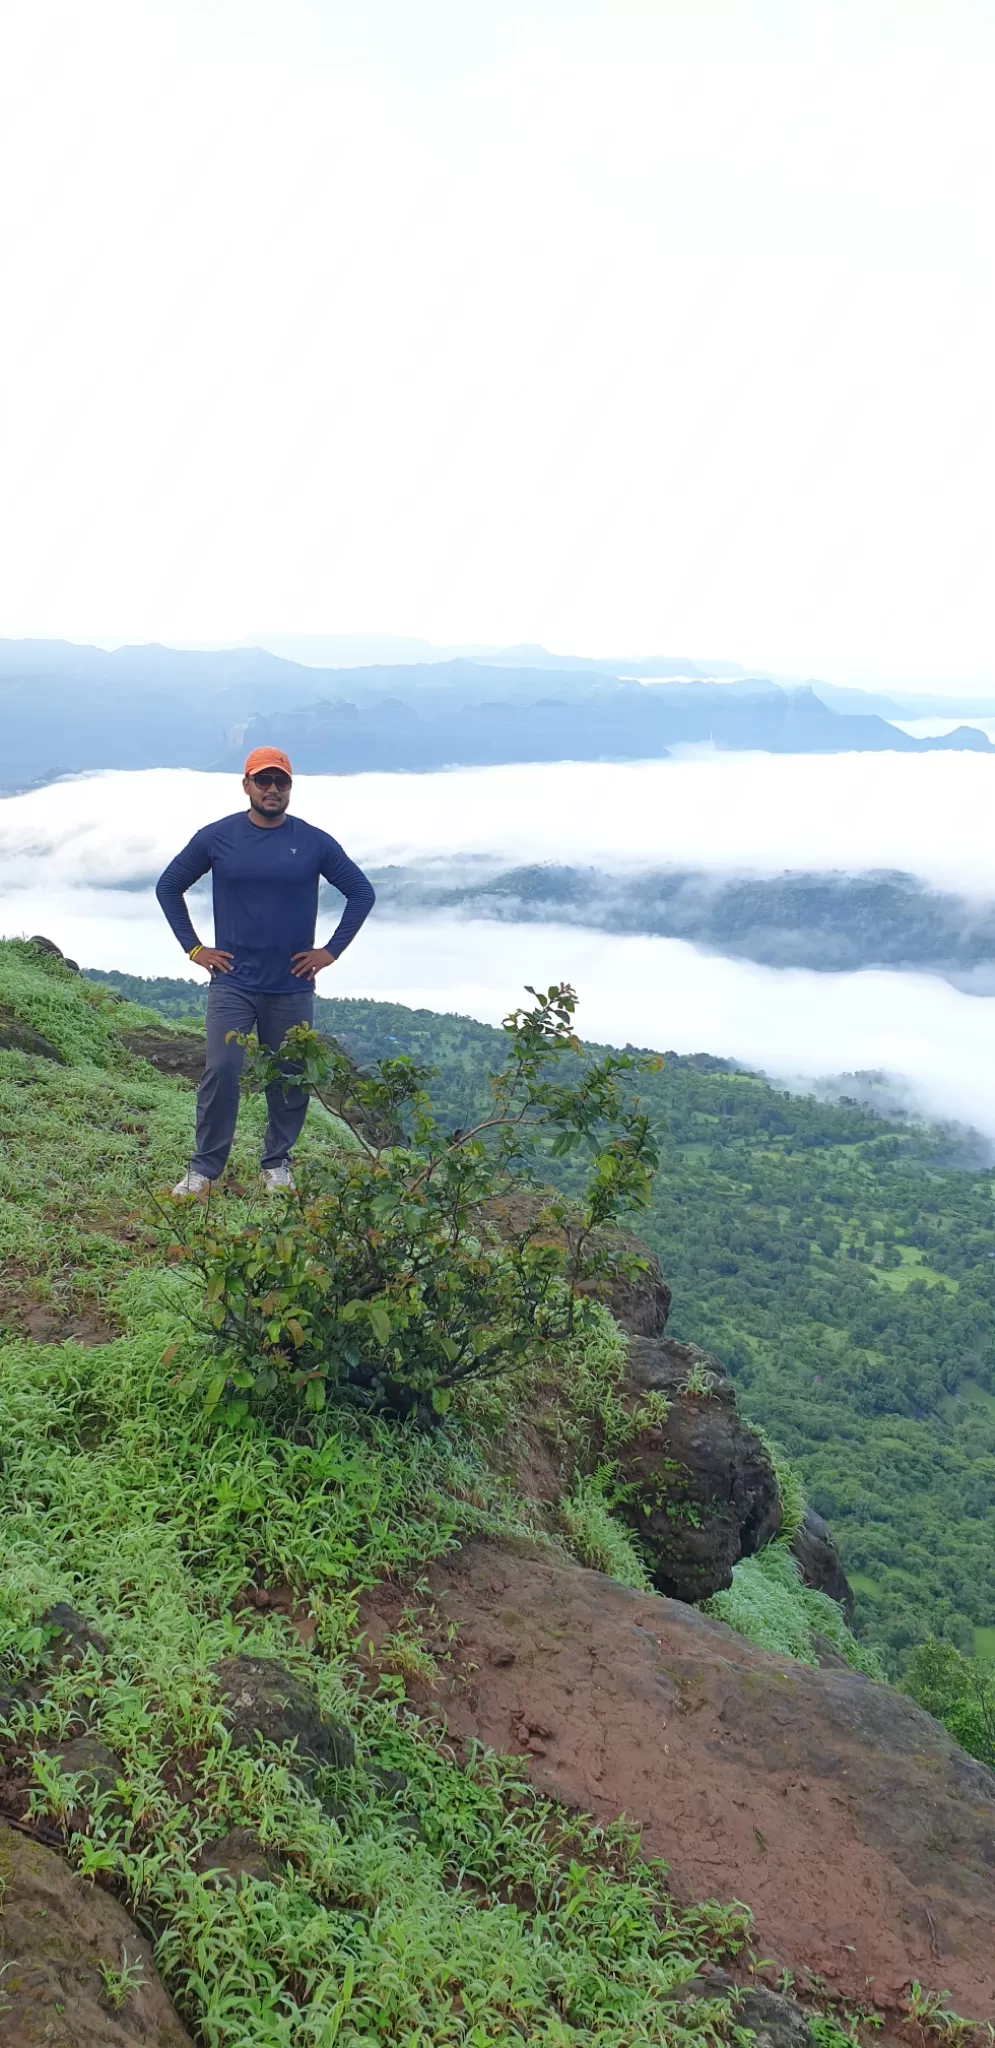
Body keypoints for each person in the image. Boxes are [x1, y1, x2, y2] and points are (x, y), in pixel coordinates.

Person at [155, 746, 375, 1195]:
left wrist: (329, 952)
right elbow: (169, 886)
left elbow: (361, 892)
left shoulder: (313, 841)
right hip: (233, 982)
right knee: (222, 1071)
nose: (273, 789)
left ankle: (276, 1164)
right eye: (263, 781)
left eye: (282, 782)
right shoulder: (217, 837)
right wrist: (195, 949)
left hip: (290, 986)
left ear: (291, 788)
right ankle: (204, 1170)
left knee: (290, 1075)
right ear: (246, 785)